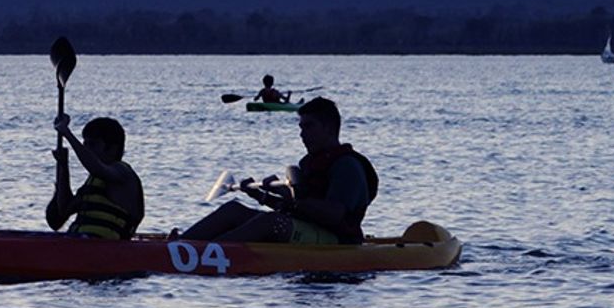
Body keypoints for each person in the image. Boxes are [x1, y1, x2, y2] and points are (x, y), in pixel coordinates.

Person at [179, 97, 377, 244]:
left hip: (337, 240)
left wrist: (292, 200)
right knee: (234, 209)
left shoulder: (347, 166)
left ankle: (207, 254)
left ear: (328, 128)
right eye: (301, 127)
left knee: (271, 222)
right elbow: (297, 209)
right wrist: (261, 196)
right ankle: (180, 245)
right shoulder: (312, 163)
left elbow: (333, 215)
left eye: (309, 126)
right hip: (310, 230)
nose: (302, 134)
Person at [47, 113, 145, 240]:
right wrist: (63, 166)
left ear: (112, 149)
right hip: (79, 243)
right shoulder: (93, 183)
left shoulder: (123, 173)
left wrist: (67, 133)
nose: (86, 149)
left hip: (108, 248)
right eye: (85, 144)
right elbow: (62, 212)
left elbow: (96, 168)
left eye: (92, 145)